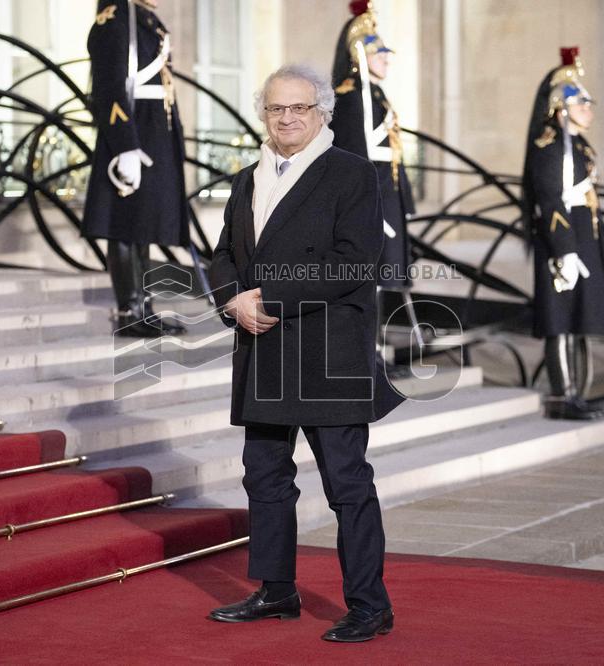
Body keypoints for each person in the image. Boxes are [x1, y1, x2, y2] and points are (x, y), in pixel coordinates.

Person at [206, 64, 404, 642]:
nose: (287, 118)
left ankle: (371, 606)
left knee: (347, 485)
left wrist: (268, 297)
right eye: (275, 109)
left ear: (321, 113)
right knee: (264, 477)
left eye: (299, 108)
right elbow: (222, 255)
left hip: (327, 352)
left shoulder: (352, 174)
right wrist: (231, 299)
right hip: (263, 346)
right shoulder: (245, 180)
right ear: (263, 115)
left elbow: (354, 263)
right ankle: (276, 591)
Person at [83, 0, 187, 337]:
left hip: (154, 129)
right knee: (125, 224)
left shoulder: (145, 20)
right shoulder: (113, 21)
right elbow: (109, 88)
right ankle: (130, 310)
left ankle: (145, 307)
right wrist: (125, 145)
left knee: (144, 223)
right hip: (131, 129)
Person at [522, 47, 604, 420]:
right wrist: (565, 251)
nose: (589, 107)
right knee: (560, 320)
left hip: (583, 242)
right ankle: (564, 394)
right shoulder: (550, 148)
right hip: (563, 245)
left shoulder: (579, 146)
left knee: (581, 319)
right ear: (562, 107)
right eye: (581, 101)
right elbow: (550, 200)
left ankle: (580, 393)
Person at [329, 1, 418, 365]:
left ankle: (374, 353)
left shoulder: (376, 95)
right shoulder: (351, 98)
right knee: (367, 280)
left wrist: (403, 204)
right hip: (371, 201)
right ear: (360, 53)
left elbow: (392, 155)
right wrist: (366, 207)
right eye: (379, 51)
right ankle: (363, 354)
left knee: (381, 280)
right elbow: (353, 160)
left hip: (387, 198)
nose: (386, 58)